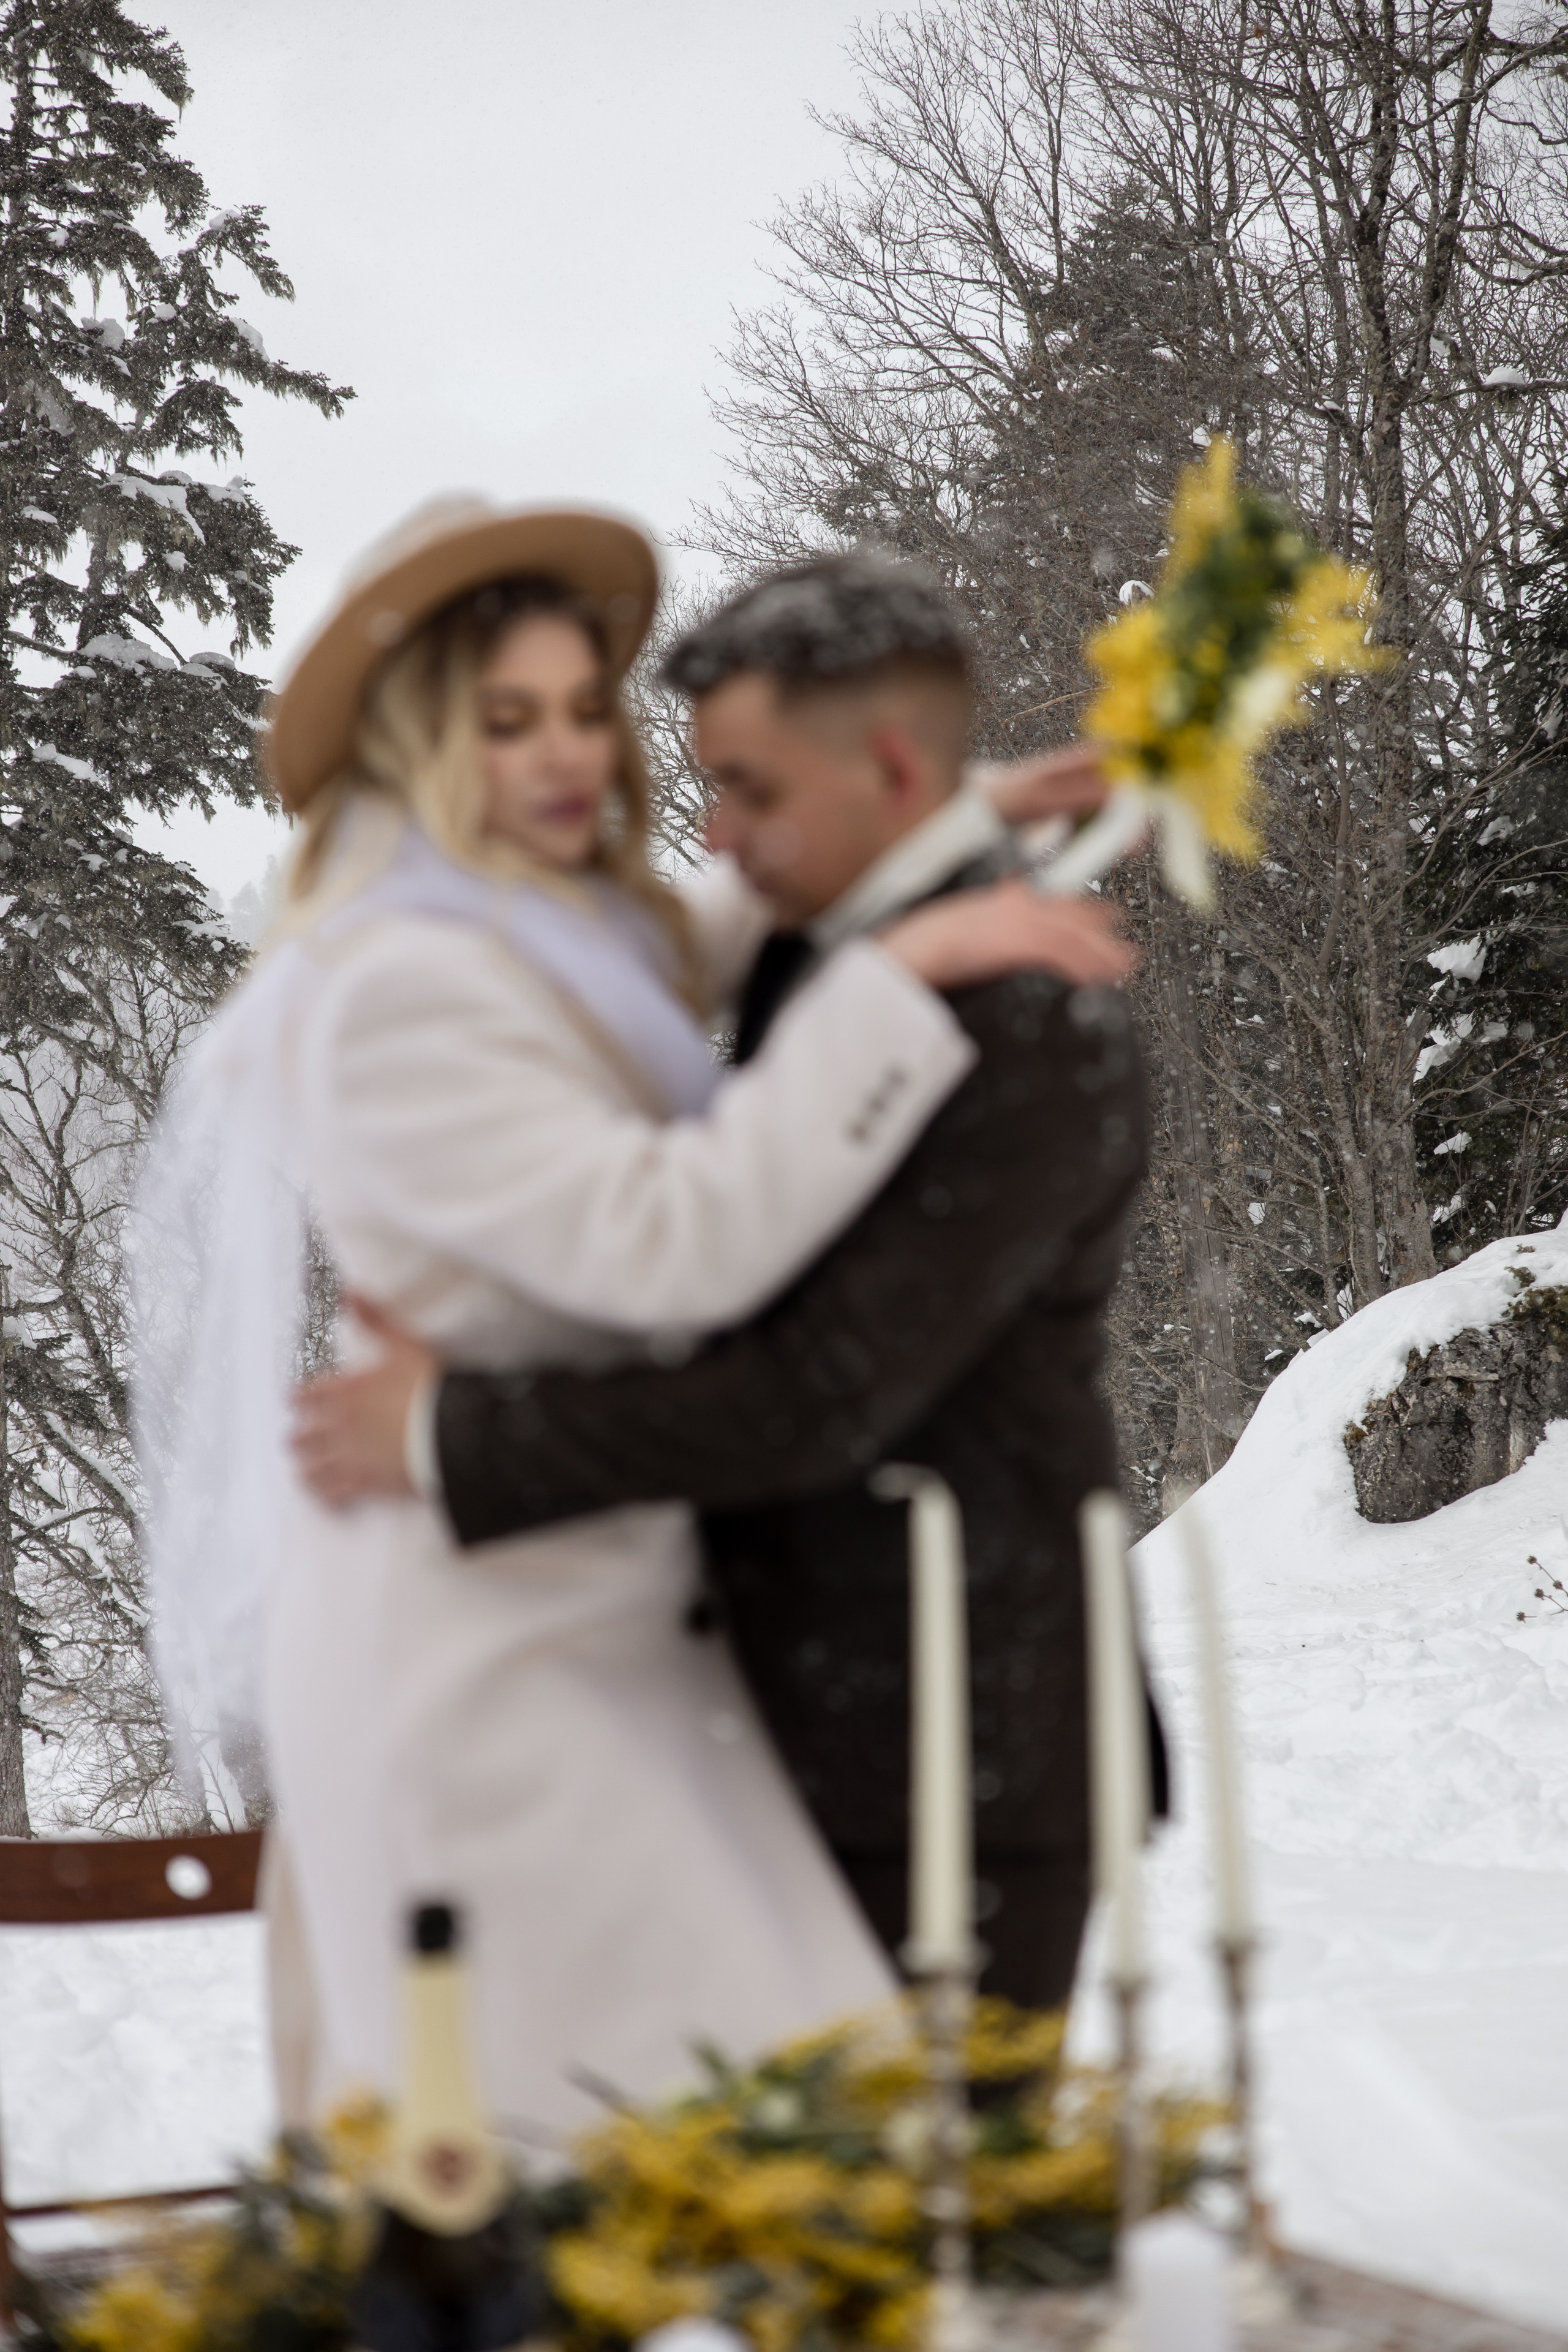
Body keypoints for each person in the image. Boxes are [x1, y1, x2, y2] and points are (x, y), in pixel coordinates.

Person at [134, 499, 1133, 2154]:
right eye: (503, 722)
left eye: (585, 710)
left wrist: (935, 828)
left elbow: (694, 939)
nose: (565, 755)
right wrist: (912, 965)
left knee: (741, 2117)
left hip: (598, 1584)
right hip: (472, 1614)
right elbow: (673, 1245)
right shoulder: (391, 986)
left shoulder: (554, 932)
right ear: (417, 747)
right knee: (650, 2117)